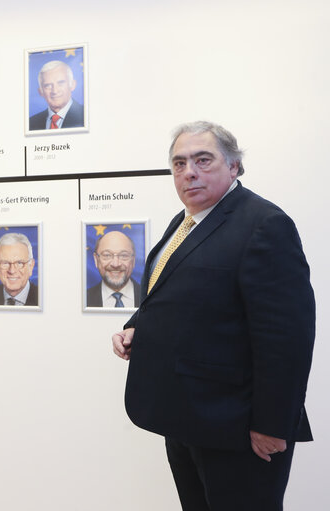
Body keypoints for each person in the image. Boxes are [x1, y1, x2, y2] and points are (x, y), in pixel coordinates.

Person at [111, 121, 315, 510]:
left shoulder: (264, 225)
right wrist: (137, 326)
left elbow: (287, 339)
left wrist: (272, 426)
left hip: (238, 427)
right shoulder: (186, 221)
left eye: (203, 160)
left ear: (234, 166)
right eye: (179, 163)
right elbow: (180, 295)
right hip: (187, 417)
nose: (189, 171)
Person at [86, 231, 140, 308]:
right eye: (107, 255)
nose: (115, 264)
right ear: (96, 259)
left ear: (133, 260)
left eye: (124, 255)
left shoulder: (149, 297)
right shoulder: (82, 299)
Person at [28, 60, 84, 131]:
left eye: (60, 83)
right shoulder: (31, 123)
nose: (55, 91)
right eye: (48, 85)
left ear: (72, 85)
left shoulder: (86, 115)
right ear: (41, 92)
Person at [0, 232, 38, 306]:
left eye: (19, 263)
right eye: (5, 263)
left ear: (31, 266)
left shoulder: (43, 297)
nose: (12, 271)